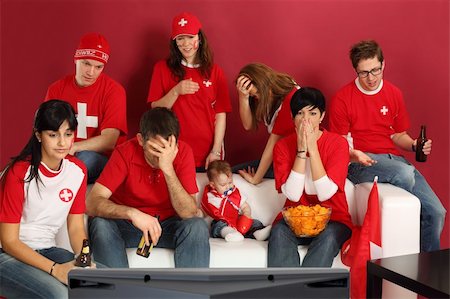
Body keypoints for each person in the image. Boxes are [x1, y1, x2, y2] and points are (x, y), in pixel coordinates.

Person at [329, 40, 446, 252]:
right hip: (360, 162)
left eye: (375, 70)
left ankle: (428, 271)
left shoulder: (394, 93)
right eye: (364, 73)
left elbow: (397, 134)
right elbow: (338, 147)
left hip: (394, 160)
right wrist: (353, 154)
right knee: (404, 172)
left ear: (384, 65)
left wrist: (413, 145)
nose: (371, 78)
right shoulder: (342, 99)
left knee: (437, 212)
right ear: (355, 71)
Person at [87, 107, 210, 268]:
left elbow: (189, 213)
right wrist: (132, 213)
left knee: (197, 226)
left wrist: (168, 169)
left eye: (165, 149)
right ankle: (118, 290)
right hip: (130, 225)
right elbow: (92, 203)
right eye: (154, 149)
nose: (160, 156)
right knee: (100, 224)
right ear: (140, 140)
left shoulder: (184, 151)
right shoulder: (125, 152)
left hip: (168, 225)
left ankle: (191, 293)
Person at [0, 100, 94, 298]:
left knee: (104, 283)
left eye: (68, 134)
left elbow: (76, 227)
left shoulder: (77, 170)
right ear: (38, 135)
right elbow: (9, 241)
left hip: (47, 249)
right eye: (53, 135)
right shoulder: (19, 171)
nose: (62, 142)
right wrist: (55, 269)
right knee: (59, 295)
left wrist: (83, 258)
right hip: (6, 253)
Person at [267, 87, 352, 267]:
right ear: (293, 118)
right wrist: (301, 151)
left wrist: (312, 150)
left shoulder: (338, 144)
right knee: (279, 233)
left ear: (322, 116)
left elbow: (325, 193)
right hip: (294, 219)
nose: (306, 120)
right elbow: (294, 195)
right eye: (300, 113)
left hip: (334, 220)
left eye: (312, 113)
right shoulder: (282, 147)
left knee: (328, 238)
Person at [147, 12, 232, 171]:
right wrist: (176, 91)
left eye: (190, 37)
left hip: (208, 153)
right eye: (180, 38)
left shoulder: (215, 72)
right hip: (174, 151)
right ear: (174, 42)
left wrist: (215, 150)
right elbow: (156, 109)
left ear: (199, 38)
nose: (186, 44)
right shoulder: (162, 69)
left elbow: (221, 114)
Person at [45, 33, 128, 184]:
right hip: (63, 155)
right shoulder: (56, 89)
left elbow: (109, 141)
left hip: (101, 160)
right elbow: (46, 131)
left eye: (98, 67)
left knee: (84, 159)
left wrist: (73, 147)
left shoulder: (114, 91)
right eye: (86, 64)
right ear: (76, 59)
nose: (91, 72)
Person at [234, 63, 300, 184]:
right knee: (233, 172)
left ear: (264, 82)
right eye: (253, 96)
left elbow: (273, 143)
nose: (257, 97)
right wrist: (243, 97)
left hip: (296, 161)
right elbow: (247, 125)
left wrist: (255, 179)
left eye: (257, 93)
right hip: (283, 155)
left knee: (234, 173)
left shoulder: (290, 98)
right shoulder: (265, 92)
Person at [201, 160, 272, 242]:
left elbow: (245, 206)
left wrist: (246, 214)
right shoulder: (210, 197)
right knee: (218, 225)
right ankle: (230, 233)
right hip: (222, 220)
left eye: (230, 182)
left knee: (254, 222)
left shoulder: (235, 194)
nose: (228, 187)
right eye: (223, 185)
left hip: (237, 219)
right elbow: (206, 211)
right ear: (213, 185)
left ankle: (258, 233)